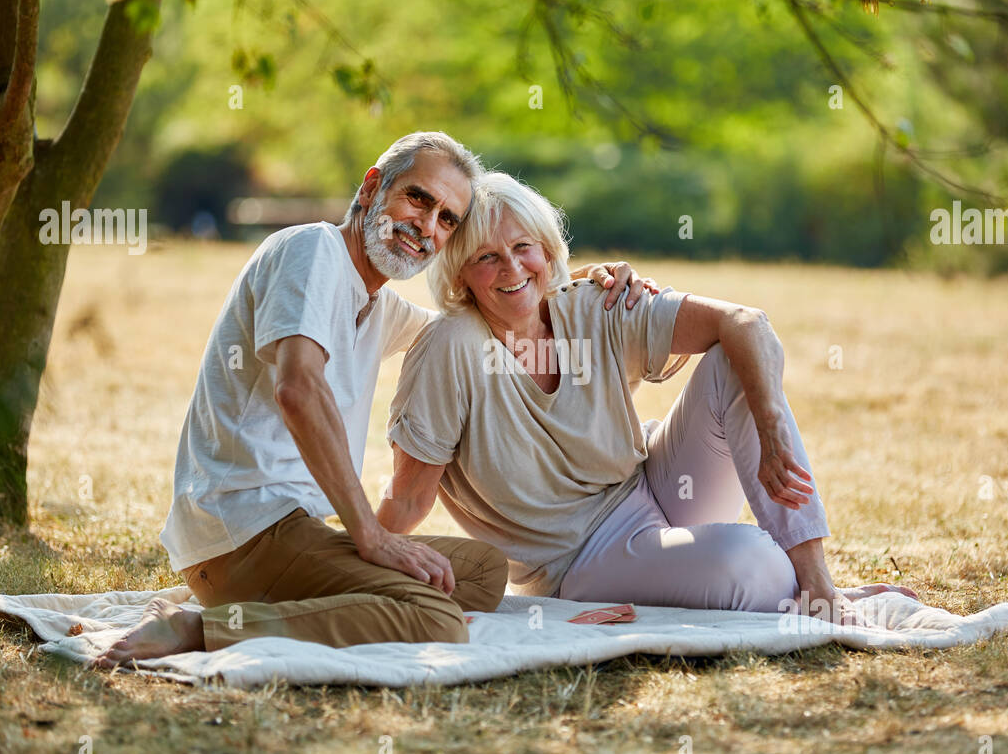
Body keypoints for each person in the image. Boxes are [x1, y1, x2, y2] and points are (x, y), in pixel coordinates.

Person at [94, 135, 652, 668]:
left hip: (291, 531)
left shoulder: (377, 306)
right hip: (241, 533)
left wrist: (555, 280)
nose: (427, 227)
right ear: (372, 187)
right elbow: (298, 389)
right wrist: (371, 536)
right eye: (418, 198)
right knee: (435, 618)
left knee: (481, 570)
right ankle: (199, 629)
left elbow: (479, 325)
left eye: (447, 219)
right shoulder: (311, 250)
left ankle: (284, 607)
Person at [378, 171, 918, 624]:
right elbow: (408, 501)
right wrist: (354, 554)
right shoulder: (450, 349)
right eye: (487, 258)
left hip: (658, 489)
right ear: (460, 274)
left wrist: (772, 425)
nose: (513, 269)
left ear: (548, 250)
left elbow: (746, 322)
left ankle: (820, 587)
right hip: (579, 565)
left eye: (524, 248)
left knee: (736, 356)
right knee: (754, 561)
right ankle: (795, 587)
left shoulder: (594, 303)